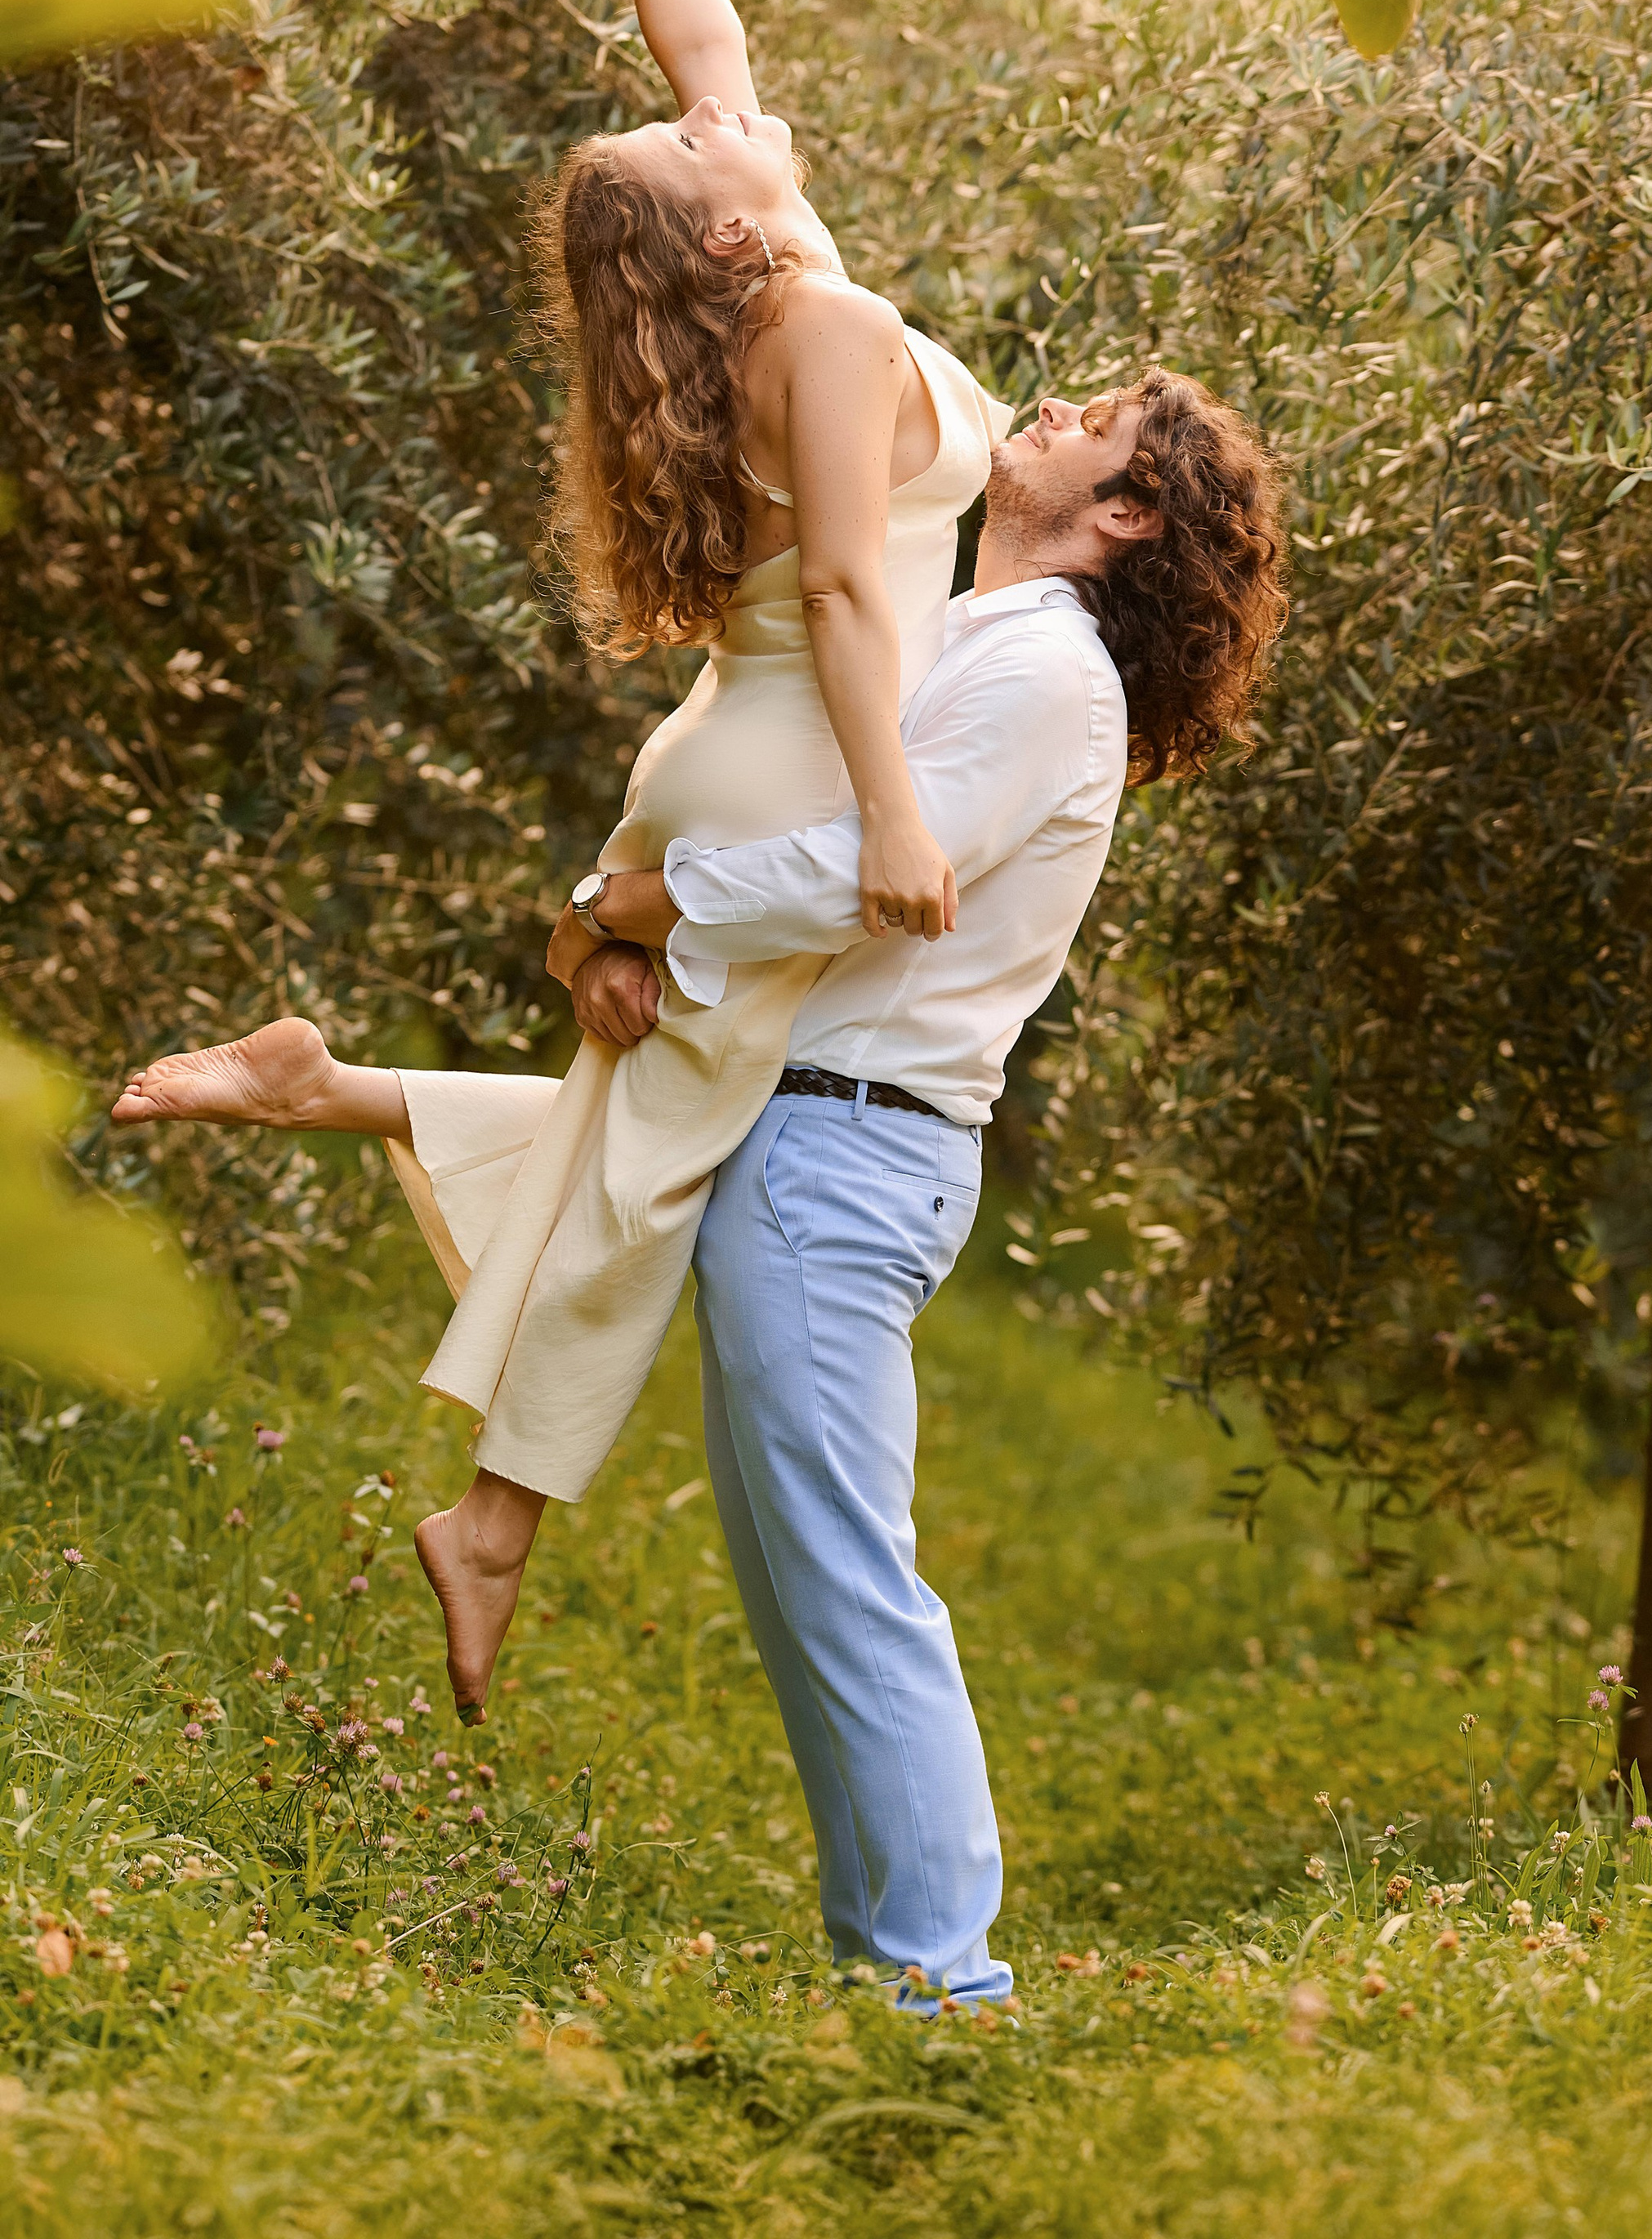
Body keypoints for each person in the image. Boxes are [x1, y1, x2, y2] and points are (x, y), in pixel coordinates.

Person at [121, 364, 1288, 2009]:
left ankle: (941, 1995)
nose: (1048, 397)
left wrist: (632, 901)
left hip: (850, 1149)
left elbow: (859, 878)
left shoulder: (1047, 676)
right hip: (790, 1116)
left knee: (844, 1585)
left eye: (1097, 412)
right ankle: (891, 1976)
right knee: (803, 1588)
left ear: (1125, 514)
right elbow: (784, 819)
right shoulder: (956, 633)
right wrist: (613, 936)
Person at [114, 0, 1005, 1714]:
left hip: (732, 747)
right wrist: (892, 816)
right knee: (662, 1159)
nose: (725, 113)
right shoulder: (827, 329)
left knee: (656, 1127)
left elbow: (704, 32)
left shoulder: (782, 297)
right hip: (788, 757)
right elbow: (858, 599)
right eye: (696, 139)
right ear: (718, 242)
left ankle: (326, 1090)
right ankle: (492, 1523)